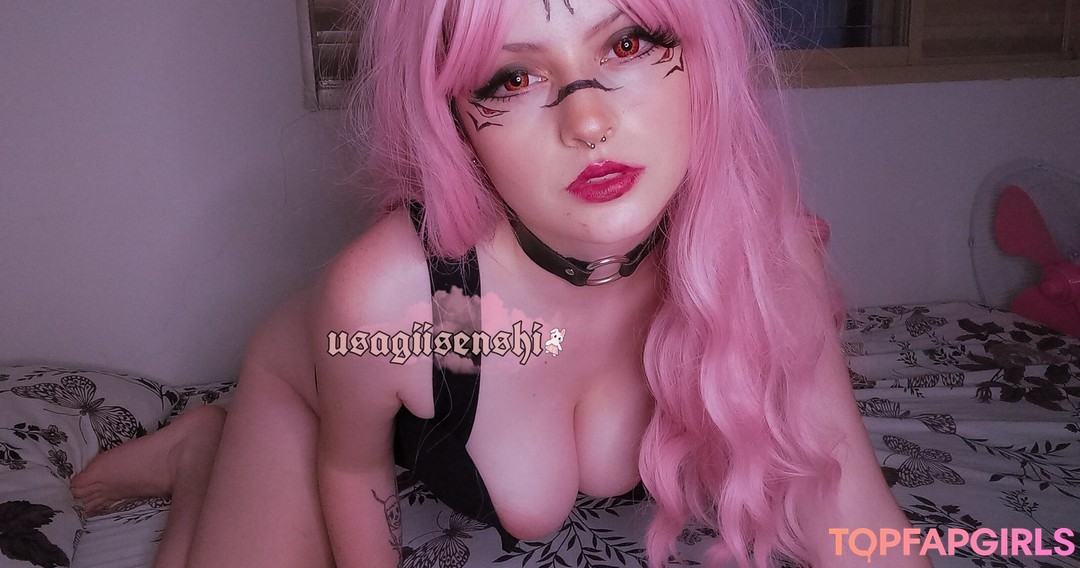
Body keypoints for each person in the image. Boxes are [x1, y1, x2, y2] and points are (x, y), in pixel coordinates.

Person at [71, 0, 930, 566]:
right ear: (456, 123)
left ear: (703, 57)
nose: (587, 120)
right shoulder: (419, 306)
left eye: (627, 43)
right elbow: (351, 466)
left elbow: (856, 519)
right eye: (513, 78)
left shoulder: (761, 260)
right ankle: (205, 451)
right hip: (315, 383)